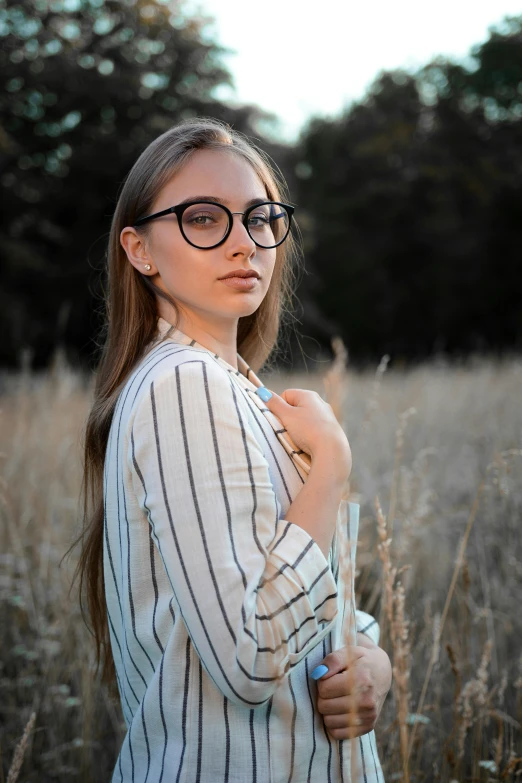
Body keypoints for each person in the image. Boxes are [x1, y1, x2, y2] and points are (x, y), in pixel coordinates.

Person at [77, 117, 392, 782]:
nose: (242, 242)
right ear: (139, 249)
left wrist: (369, 659)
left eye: (258, 218)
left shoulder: (236, 388)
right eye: (202, 218)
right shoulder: (183, 385)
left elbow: (310, 592)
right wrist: (331, 465)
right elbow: (251, 655)